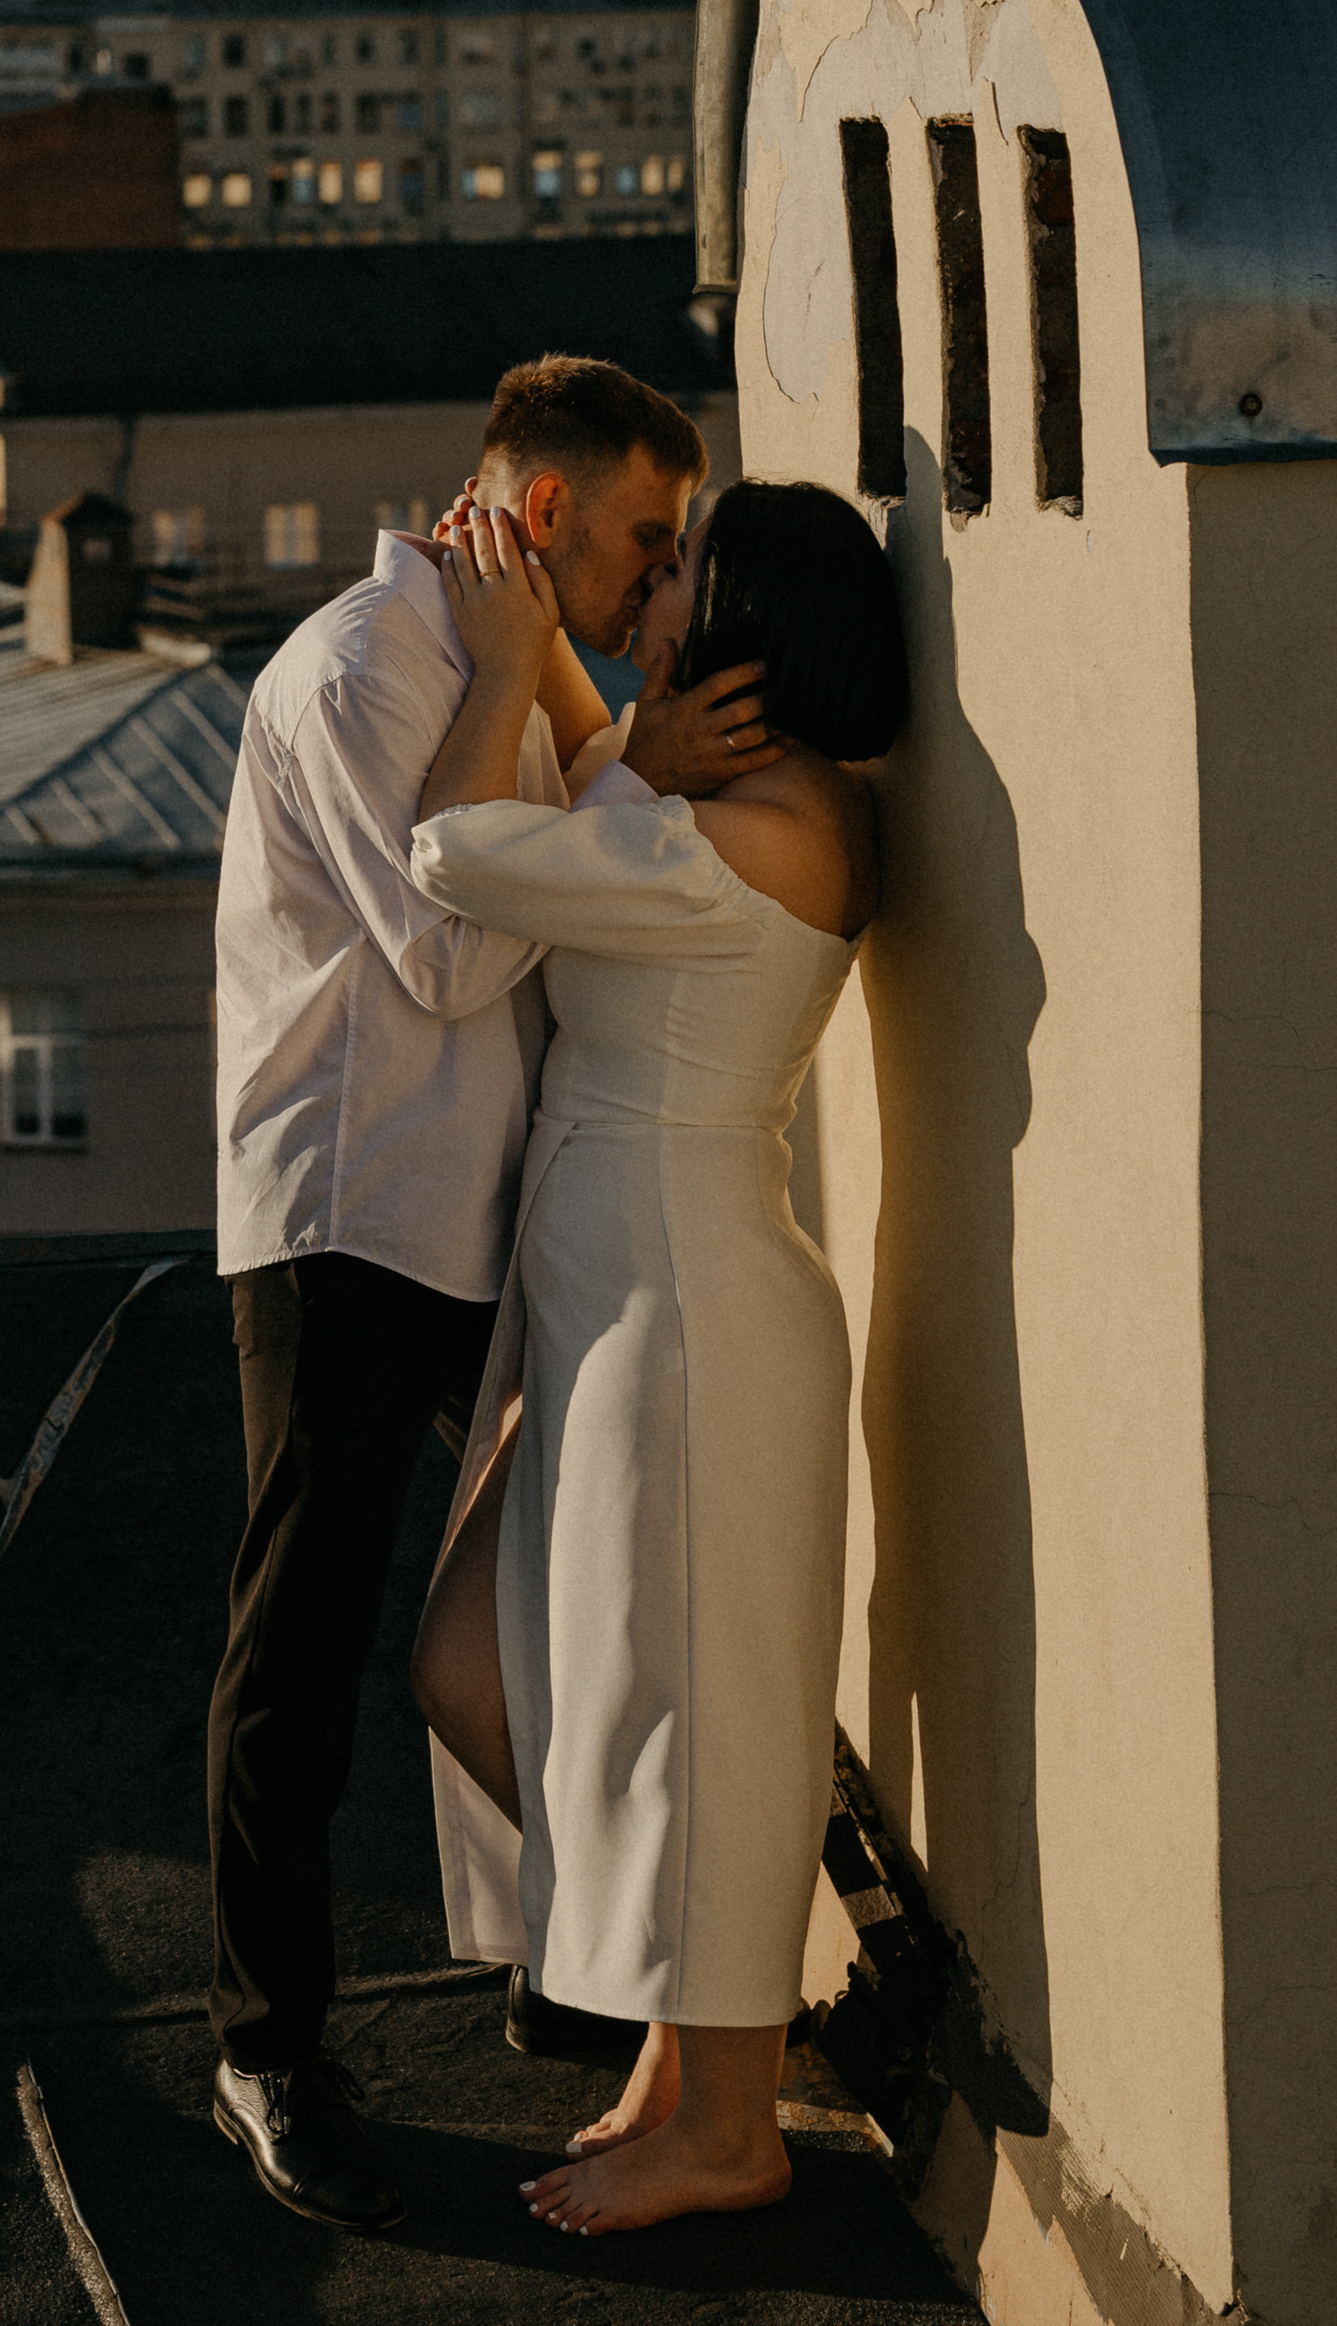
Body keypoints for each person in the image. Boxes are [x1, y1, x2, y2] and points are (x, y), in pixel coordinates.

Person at [205, 357, 778, 2233]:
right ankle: (265, 2052)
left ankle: (617, 1959)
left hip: (485, 1224)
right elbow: (456, 947)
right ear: (542, 520)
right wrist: (599, 736)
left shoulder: (498, 667)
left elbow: (556, 853)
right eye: (638, 536)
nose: (656, 572)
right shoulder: (367, 666)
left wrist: (596, 725)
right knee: (303, 1639)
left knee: (563, 1604)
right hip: (351, 1217)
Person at [407, 476, 909, 2236]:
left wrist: (505, 658)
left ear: (743, 617)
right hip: (625, 1319)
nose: (659, 572)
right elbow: (592, 817)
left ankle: (728, 2122)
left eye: (682, 558)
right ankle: (682, 2062)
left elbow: (462, 853)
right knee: (487, 1671)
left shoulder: (763, 828)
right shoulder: (722, 797)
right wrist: (623, 728)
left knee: (708, 1722)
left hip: (690, 1317)